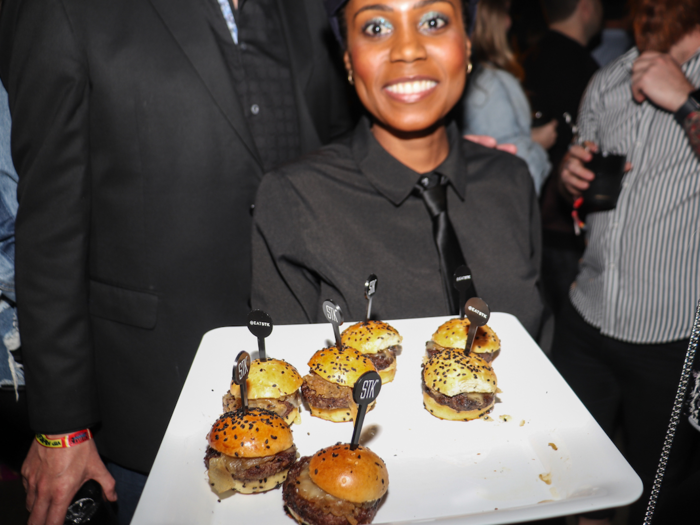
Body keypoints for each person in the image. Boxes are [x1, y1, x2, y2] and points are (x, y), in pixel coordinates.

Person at [0, 0, 357, 523]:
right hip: (152, 406)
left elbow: (338, 151)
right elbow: (49, 225)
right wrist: (62, 425)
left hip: (311, 386)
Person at [251, 0, 545, 342]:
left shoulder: (511, 180)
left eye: (433, 21)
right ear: (347, 57)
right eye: (376, 28)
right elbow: (275, 381)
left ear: (467, 43)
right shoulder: (294, 198)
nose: (407, 50)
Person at [554, 0, 700, 523]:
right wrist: (569, 181)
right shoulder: (608, 78)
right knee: (572, 482)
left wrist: (686, 102)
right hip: (585, 319)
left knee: (654, 499)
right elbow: (582, 196)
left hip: (670, 338)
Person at [521, 0, 602, 326]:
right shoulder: (596, 77)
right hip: (563, 227)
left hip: (524, 223)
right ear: (586, 6)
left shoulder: (522, 60)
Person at [462, 0, 556, 195]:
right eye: (505, 12)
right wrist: (537, 145)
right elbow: (518, 178)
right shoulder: (491, 84)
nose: (509, 22)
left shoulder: (473, 78)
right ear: (492, 22)